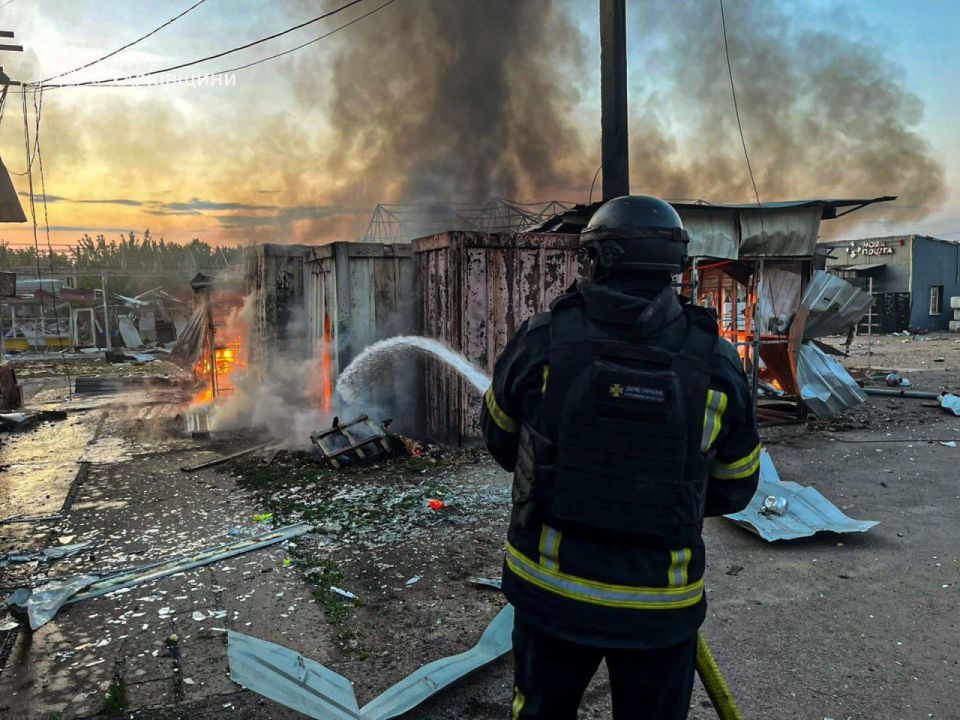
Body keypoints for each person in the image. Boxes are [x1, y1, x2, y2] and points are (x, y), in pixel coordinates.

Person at [481, 195, 760, 720]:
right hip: (660, 609)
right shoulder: (717, 363)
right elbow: (736, 485)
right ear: (674, 266)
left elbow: (499, 440)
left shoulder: (542, 342)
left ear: (597, 260)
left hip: (550, 597)